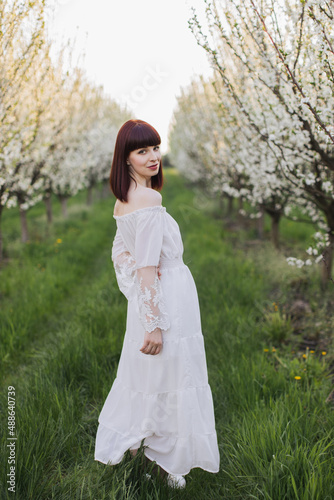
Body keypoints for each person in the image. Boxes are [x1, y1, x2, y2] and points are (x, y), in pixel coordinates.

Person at [94, 119, 220, 489]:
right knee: (172, 375)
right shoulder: (149, 199)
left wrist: (140, 302)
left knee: (150, 377)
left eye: (155, 148)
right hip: (165, 301)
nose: (153, 157)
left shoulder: (124, 200)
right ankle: (165, 462)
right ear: (126, 158)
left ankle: (144, 453)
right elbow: (146, 266)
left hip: (151, 299)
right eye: (142, 150)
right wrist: (153, 322)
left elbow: (121, 255)